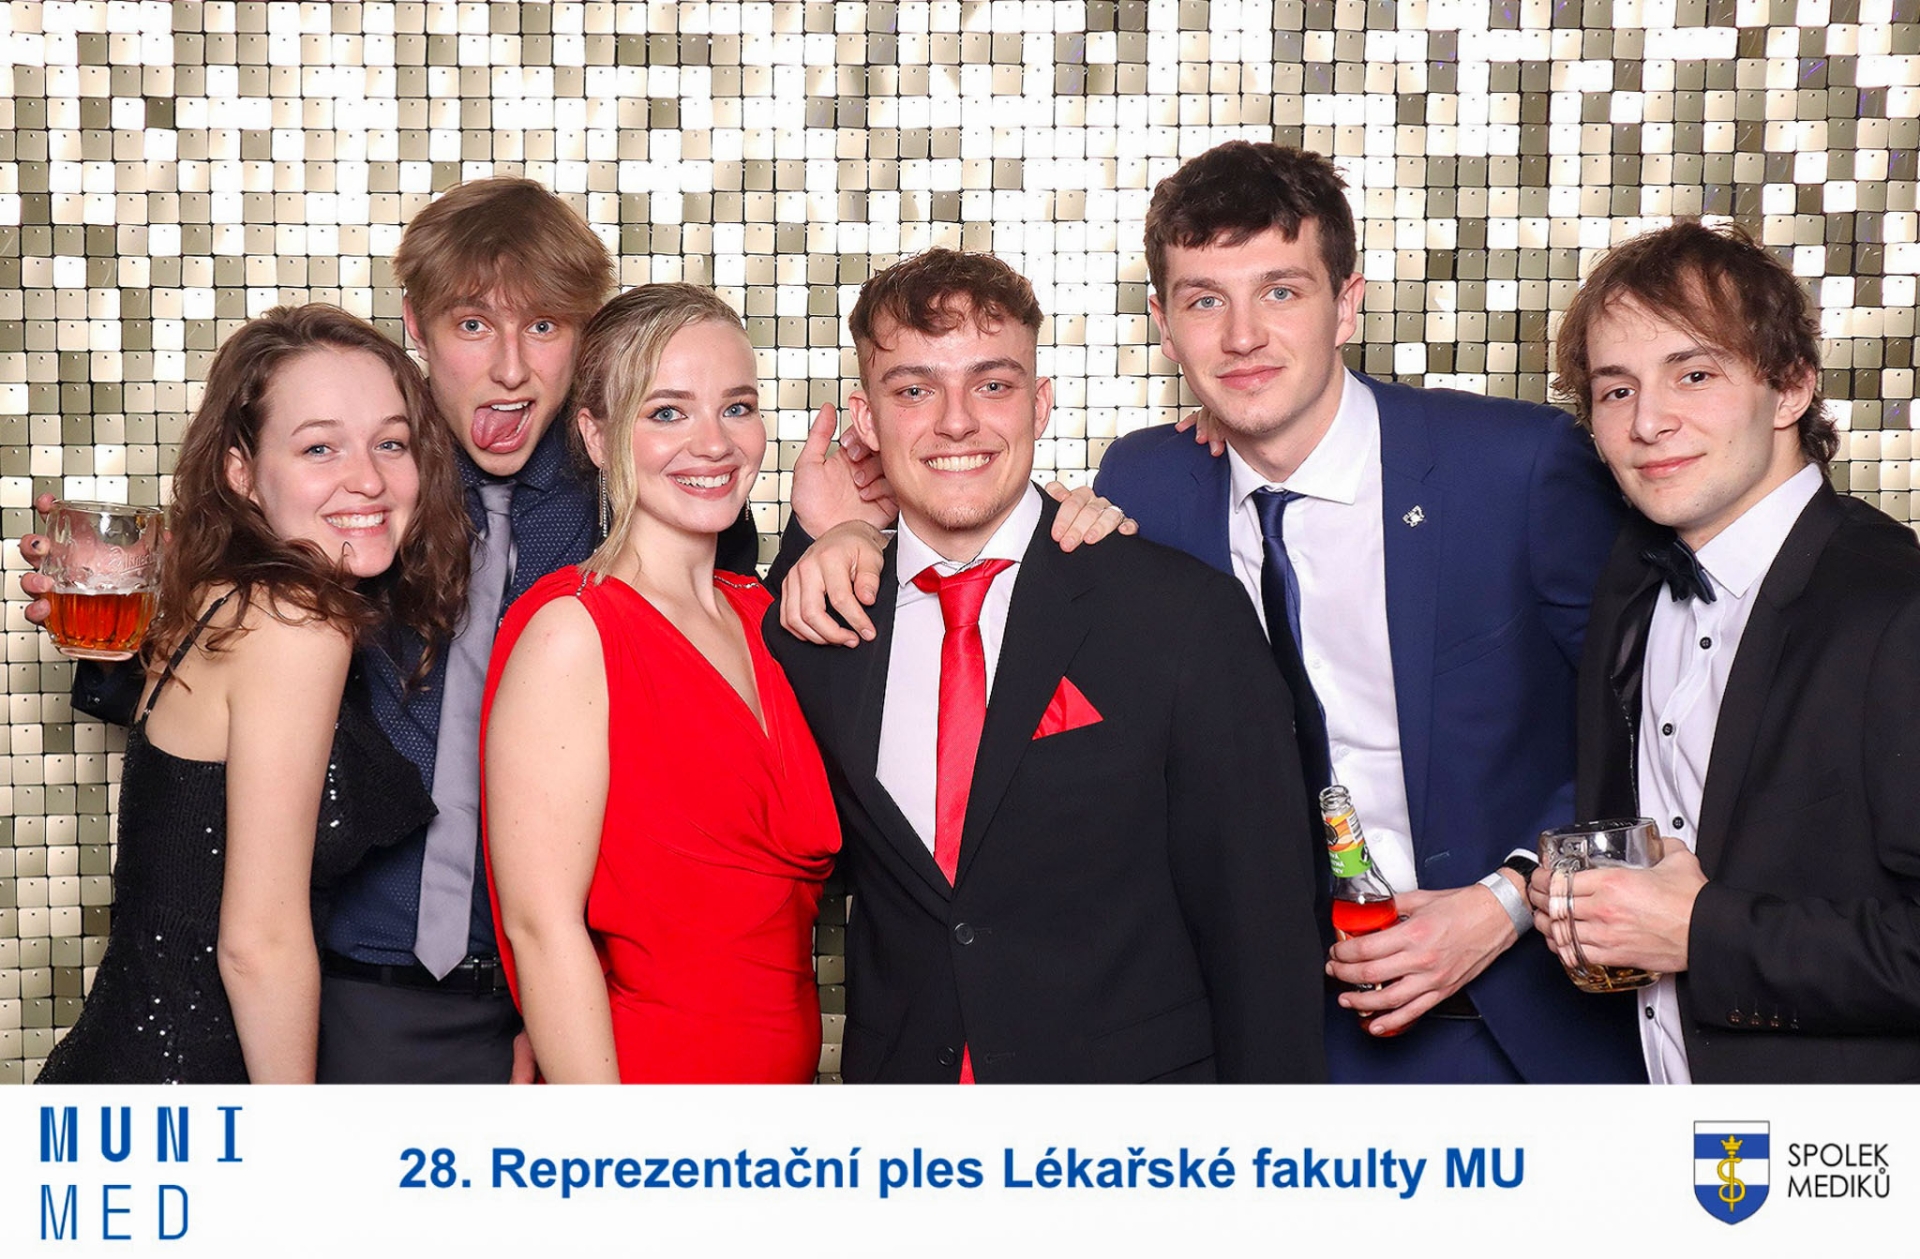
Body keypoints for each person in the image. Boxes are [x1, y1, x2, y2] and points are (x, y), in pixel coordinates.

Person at [1089, 141, 1643, 1083]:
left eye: (1281, 292)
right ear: (1164, 326)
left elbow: (1644, 719)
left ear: (1346, 304)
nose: (1242, 337)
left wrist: (1511, 897)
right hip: (1268, 1036)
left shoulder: (1514, 468)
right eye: (1205, 301)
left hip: (1508, 1017)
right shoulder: (1146, 482)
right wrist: (851, 531)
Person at [764, 249, 1326, 1083]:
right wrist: (820, 533)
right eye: (914, 390)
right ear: (866, 419)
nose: (957, 422)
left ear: (1040, 403)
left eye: (992, 384)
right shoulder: (823, 621)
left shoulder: (1179, 615)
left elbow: (1264, 934)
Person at [35, 305, 464, 1083]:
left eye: (391, 442)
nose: (368, 478)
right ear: (240, 470)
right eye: (320, 446)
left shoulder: (219, 595)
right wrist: (288, 1143)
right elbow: (258, 943)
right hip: (185, 1092)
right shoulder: (297, 624)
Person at [1537, 220, 1920, 1083]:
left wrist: (1699, 932)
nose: (1649, 422)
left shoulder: (1898, 610)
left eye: (1695, 374)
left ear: (1791, 388)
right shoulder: (1631, 585)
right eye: (1616, 390)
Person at [482, 284, 838, 1083]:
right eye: (668, 411)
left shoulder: (765, 615)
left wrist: (848, 529)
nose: (714, 442)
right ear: (597, 434)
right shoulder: (574, 632)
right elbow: (541, 928)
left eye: (737, 407)